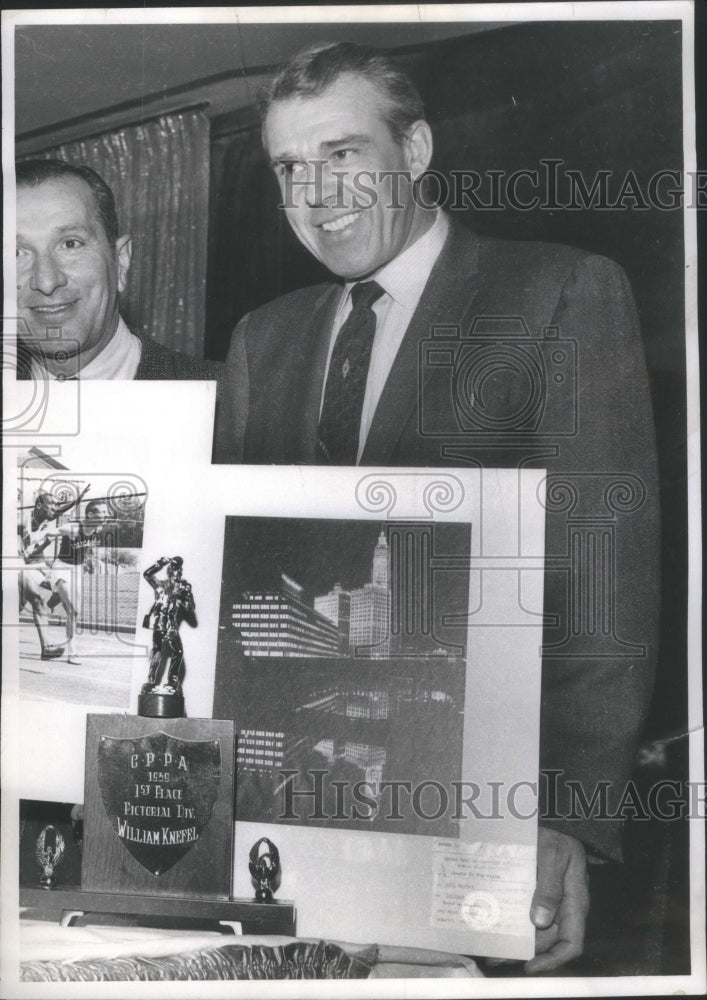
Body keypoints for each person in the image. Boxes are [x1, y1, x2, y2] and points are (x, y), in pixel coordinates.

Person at [214, 42, 660, 974]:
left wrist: (566, 816)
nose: (314, 192)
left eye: (341, 154)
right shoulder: (267, 337)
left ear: (413, 151)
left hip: (477, 817)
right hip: (286, 811)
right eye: (289, 168)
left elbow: (601, 573)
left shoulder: (556, 292)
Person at [15, 158, 220, 380]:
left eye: (70, 244)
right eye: (15, 253)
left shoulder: (226, 398)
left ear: (120, 261)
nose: (46, 281)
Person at [18, 486, 90, 660]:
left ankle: (48, 603)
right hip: (20, 563)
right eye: (52, 505)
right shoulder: (21, 521)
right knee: (37, 598)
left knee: (58, 587)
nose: (55, 509)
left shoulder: (48, 516)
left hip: (38, 563)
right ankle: (46, 648)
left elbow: (63, 508)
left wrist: (78, 498)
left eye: (56, 506)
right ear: (39, 506)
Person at [46, 497, 113, 664]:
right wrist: (43, 534)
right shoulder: (74, 528)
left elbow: (87, 549)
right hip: (62, 568)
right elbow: (50, 532)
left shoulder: (98, 529)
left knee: (75, 612)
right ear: (90, 514)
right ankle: (72, 651)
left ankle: (55, 597)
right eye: (103, 512)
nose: (107, 514)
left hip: (77, 570)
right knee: (73, 611)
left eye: (107, 511)